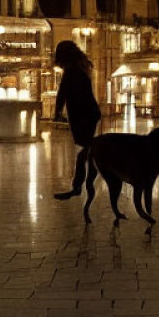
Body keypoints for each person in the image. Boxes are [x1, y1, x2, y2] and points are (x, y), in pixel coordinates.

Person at [52, 40, 101, 200]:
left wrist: (57, 112)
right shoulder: (80, 68)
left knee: (86, 152)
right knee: (87, 150)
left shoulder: (72, 71)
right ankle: (82, 184)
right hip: (87, 114)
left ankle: (79, 186)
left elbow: (62, 93)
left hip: (84, 116)